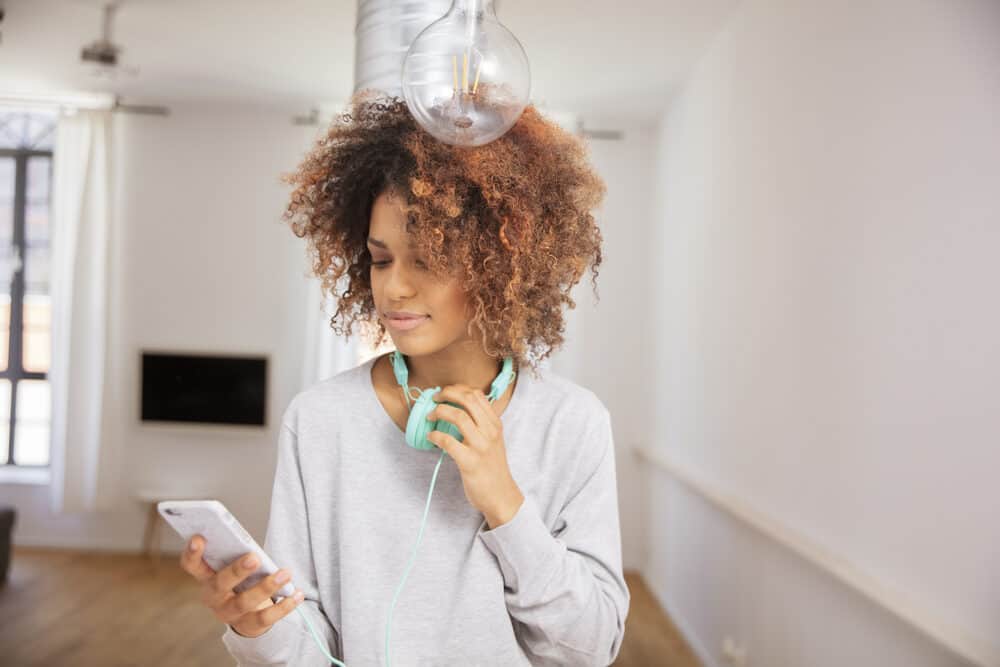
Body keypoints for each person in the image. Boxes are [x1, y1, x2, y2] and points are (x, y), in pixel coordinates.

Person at [178, 92, 629, 666]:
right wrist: (254, 628)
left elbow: (591, 648)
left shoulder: (572, 423)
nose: (393, 289)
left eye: (428, 259)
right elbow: (307, 644)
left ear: (503, 263)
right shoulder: (320, 420)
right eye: (381, 259)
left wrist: (506, 505)